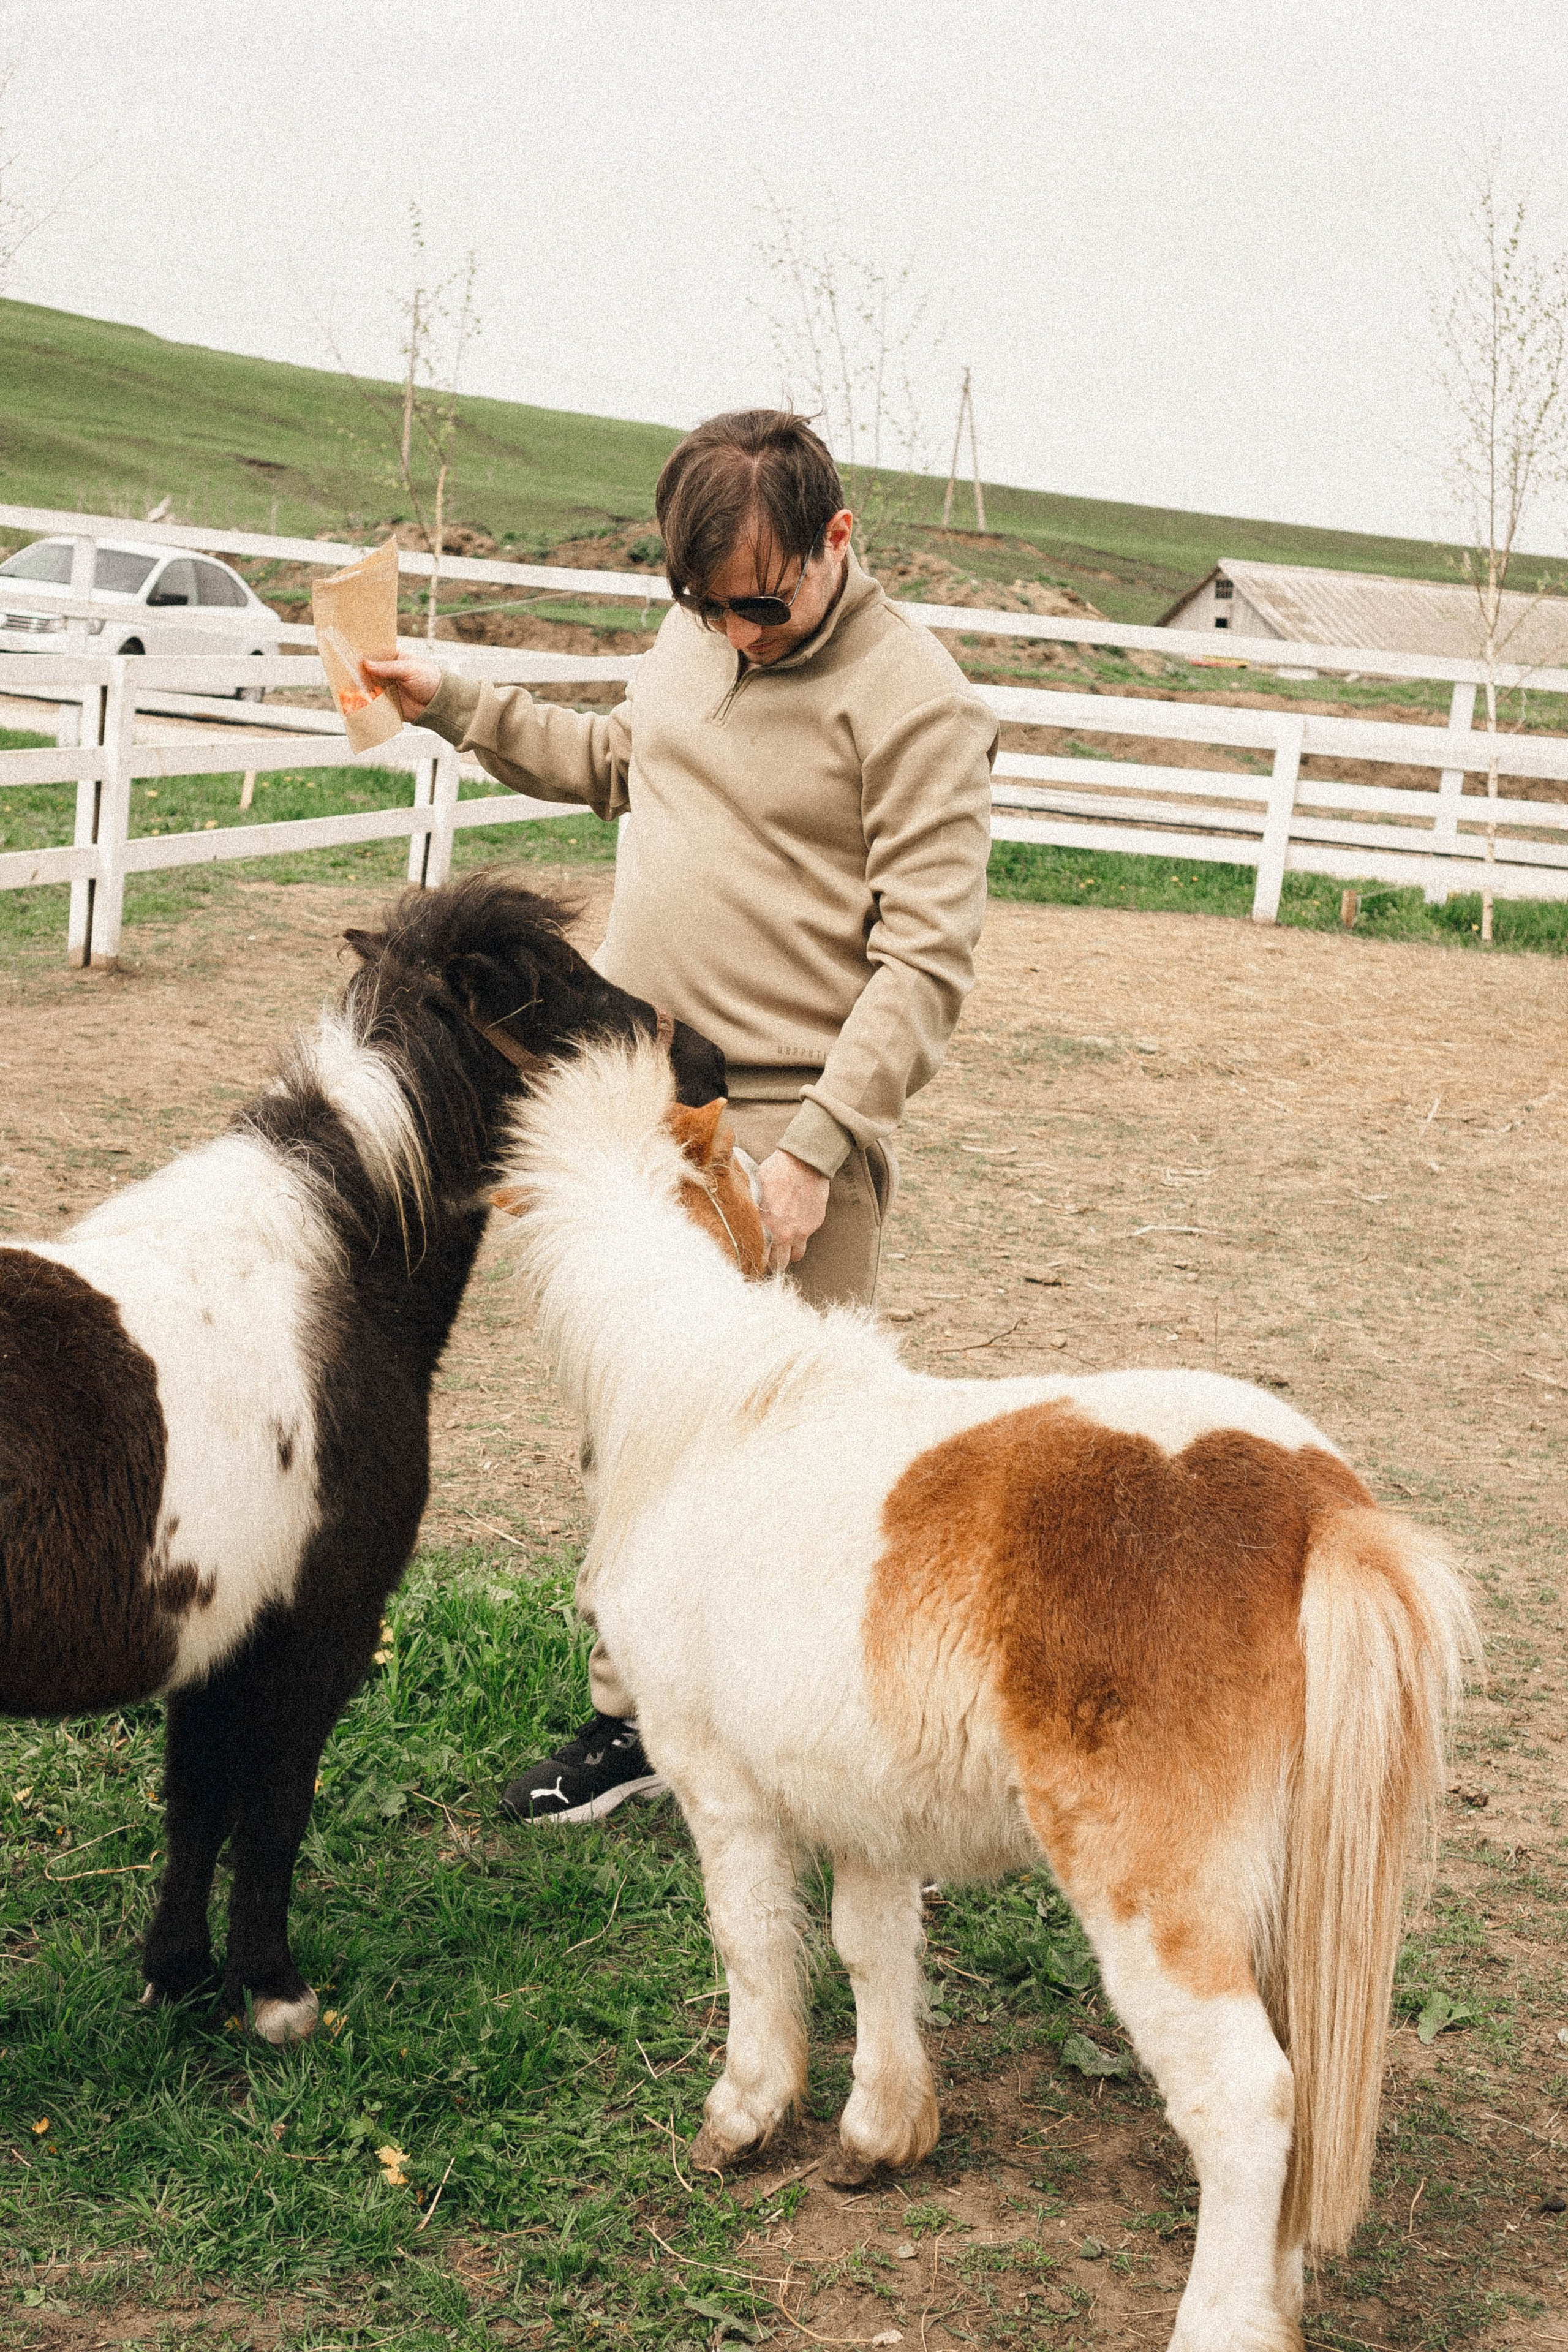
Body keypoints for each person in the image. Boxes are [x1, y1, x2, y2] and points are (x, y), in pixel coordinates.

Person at [367, 409, 998, 1823]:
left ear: (839, 539)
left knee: (790, 1452)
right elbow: (620, 763)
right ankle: (639, 1722)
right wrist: (450, 700)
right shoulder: (706, 628)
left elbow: (926, 960)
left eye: (762, 604)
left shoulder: (918, 706)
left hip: (779, 1125)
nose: (737, 634)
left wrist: (813, 1155)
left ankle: (806, 1743)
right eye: (704, 606)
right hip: (639, 1095)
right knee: (632, 1427)